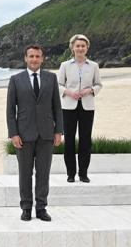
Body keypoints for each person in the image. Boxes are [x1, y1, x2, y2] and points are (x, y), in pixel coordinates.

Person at [6, 45, 63, 222]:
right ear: (25, 58)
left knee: (43, 173)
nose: (34, 59)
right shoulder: (15, 80)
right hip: (23, 134)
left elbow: (57, 107)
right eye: (31, 56)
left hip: (46, 133)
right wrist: (13, 133)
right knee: (25, 173)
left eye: (37, 56)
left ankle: (41, 208)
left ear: (42, 58)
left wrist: (58, 131)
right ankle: (26, 208)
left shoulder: (51, 78)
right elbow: (10, 110)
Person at [58, 34, 102, 183]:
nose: (80, 48)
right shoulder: (65, 65)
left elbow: (98, 85)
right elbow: (58, 85)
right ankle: (70, 174)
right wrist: (69, 92)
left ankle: (83, 173)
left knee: (85, 140)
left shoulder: (94, 66)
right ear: (72, 48)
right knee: (69, 140)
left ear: (87, 48)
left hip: (87, 107)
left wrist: (89, 91)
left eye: (83, 46)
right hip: (68, 106)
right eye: (77, 46)